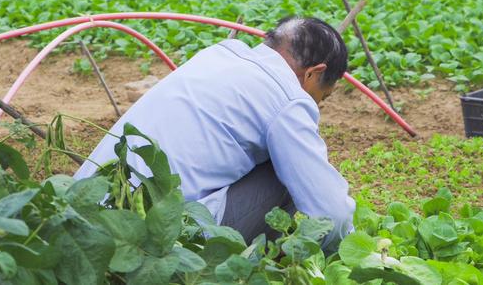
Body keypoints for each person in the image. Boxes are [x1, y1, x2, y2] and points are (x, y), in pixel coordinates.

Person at [74, 16, 355, 249]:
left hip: (81, 211)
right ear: (313, 74)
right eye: (322, 96)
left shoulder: (219, 54)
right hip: (155, 237)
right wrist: (350, 253)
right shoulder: (287, 98)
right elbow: (332, 214)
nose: (317, 104)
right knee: (288, 171)